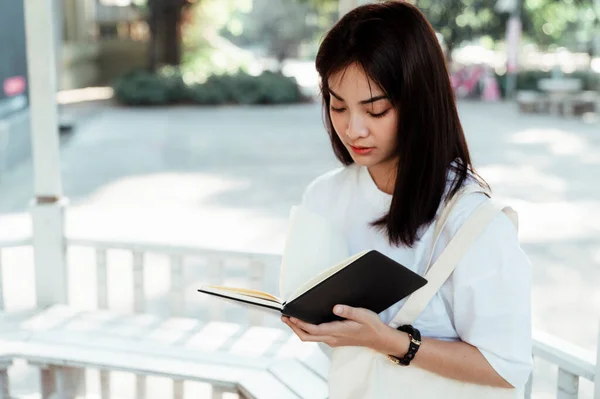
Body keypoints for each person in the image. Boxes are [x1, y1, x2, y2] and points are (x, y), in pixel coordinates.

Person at [281, 1, 532, 396]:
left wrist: (389, 341)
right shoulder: (324, 196)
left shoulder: (472, 219)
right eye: (337, 105)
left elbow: (507, 367)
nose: (353, 129)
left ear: (419, 101)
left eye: (376, 109)